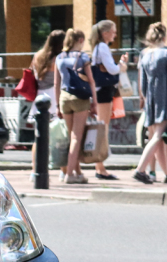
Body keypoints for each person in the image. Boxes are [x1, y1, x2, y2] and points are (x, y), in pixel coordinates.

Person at [133, 22, 167, 184]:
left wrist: (146, 100)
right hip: (165, 98)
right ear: (164, 37)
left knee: (157, 138)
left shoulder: (145, 55)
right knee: (157, 137)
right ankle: (140, 170)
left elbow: (142, 84)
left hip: (151, 100)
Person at [87, 19, 129, 180]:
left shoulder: (98, 47)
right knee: (102, 127)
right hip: (104, 91)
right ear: (105, 33)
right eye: (113, 31)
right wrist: (122, 67)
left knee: (101, 126)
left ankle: (100, 165)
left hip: (100, 90)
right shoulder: (103, 47)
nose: (115, 34)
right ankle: (100, 166)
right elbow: (112, 69)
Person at [56, 29, 97, 184]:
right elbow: (91, 80)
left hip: (64, 98)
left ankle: (78, 172)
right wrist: (95, 102)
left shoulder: (59, 57)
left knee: (71, 137)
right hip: (80, 98)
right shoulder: (83, 57)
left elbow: (56, 83)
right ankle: (70, 174)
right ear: (80, 40)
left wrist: (57, 105)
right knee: (76, 137)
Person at [28, 30, 65, 179]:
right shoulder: (58, 58)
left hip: (39, 97)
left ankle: (34, 170)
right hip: (53, 97)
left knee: (39, 136)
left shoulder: (38, 56)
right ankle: (63, 170)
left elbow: (31, 72)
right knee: (60, 136)